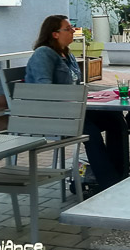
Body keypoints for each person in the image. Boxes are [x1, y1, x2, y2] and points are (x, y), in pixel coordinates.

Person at [25, 15, 124, 189]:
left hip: (72, 111)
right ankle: (109, 183)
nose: (73, 31)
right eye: (68, 28)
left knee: (115, 118)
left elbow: (76, 85)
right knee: (89, 131)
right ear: (55, 34)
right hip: (50, 115)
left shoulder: (67, 53)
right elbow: (44, 89)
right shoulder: (44, 54)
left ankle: (119, 173)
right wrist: (74, 98)